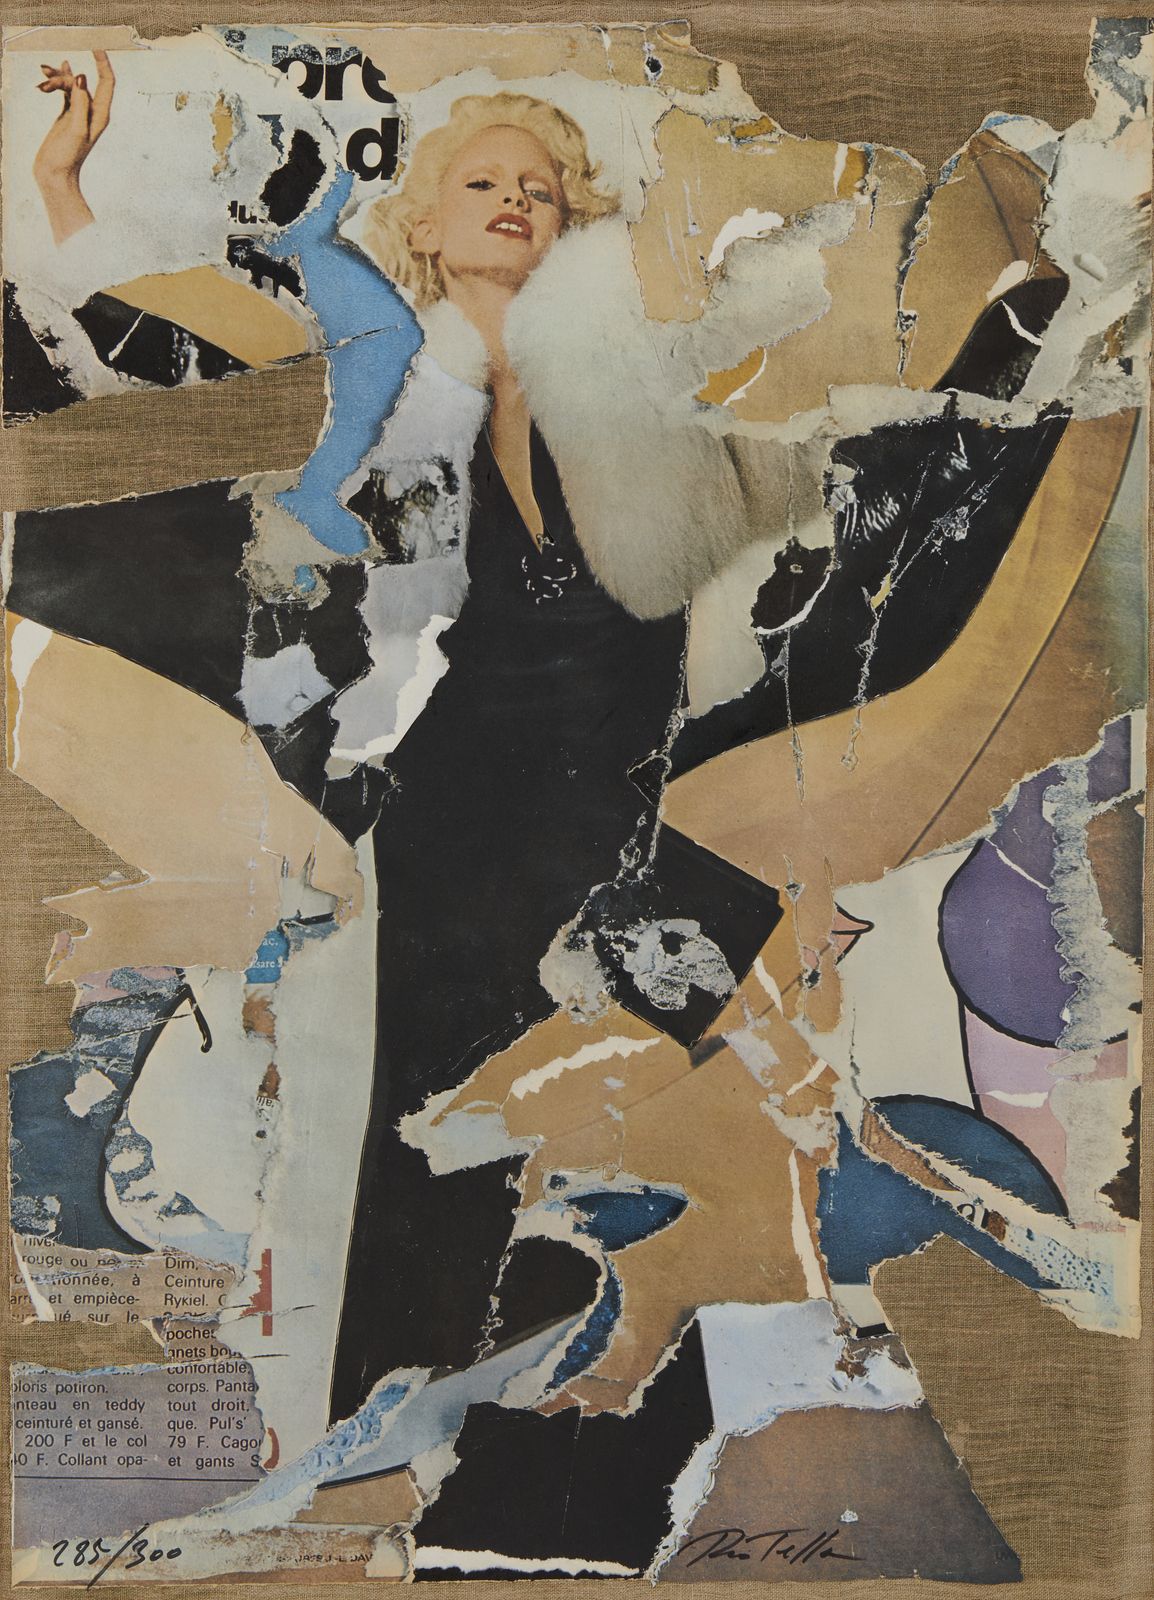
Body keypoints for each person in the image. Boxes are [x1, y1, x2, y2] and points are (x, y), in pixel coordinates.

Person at [23, 61, 1080, 1563]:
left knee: (617, 1134)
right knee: (427, 1149)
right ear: (425, 224)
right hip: (448, 822)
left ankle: (585, 1503)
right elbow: (155, 346)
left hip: (622, 809)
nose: (516, 201)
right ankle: (391, 1471)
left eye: (540, 187)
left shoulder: (633, 369)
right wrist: (62, 183)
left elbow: (793, 488)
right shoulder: (375, 361)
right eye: (483, 183)